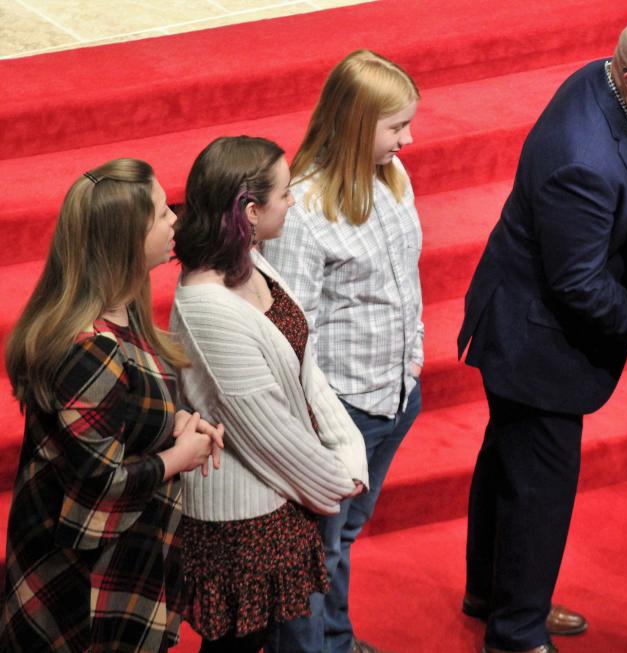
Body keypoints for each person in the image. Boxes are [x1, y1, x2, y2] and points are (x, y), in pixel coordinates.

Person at [456, 14, 627, 653]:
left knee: (508, 464)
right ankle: (516, 633)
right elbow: (579, 287)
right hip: (536, 342)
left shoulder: (612, 92)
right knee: (538, 491)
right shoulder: (582, 160)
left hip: (525, 322)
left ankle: (492, 595)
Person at [0, 159, 224, 653]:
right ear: (124, 237)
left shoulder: (122, 309)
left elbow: (121, 420)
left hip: (110, 565)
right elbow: (102, 481)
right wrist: (178, 456)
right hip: (86, 589)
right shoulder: (91, 349)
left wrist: (175, 425)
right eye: (162, 213)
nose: (175, 220)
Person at [169, 136, 369, 653]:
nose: (294, 201)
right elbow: (266, 431)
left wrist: (348, 446)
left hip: (282, 501)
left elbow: (304, 367)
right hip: (244, 522)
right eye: (284, 193)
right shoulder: (207, 307)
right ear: (250, 211)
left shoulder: (253, 258)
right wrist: (335, 482)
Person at [260, 49, 423, 653]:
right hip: (341, 412)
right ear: (357, 124)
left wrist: (412, 363)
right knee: (315, 549)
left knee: (345, 537)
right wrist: (320, 425)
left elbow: (408, 281)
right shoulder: (301, 210)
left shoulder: (395, 178)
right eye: (396, 127)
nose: (409, 139)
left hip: (395, 395)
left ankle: (337, 640)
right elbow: (289, 331)